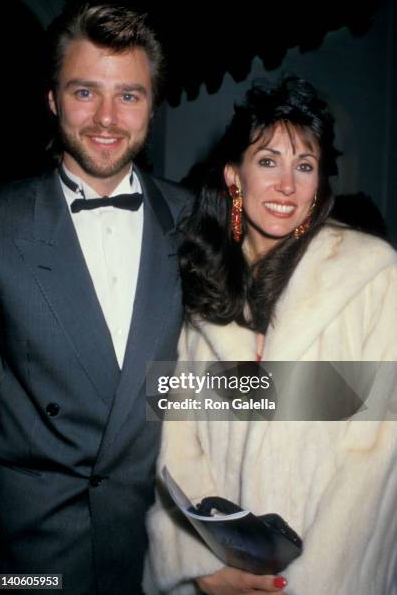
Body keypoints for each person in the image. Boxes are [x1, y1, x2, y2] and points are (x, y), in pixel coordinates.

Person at [145, 78, 397, 594]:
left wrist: (309, 583)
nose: (287, 184)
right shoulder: (199, 288)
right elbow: (177, 442)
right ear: (234, 177)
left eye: (304, 166)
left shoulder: (372, 276)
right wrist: (205, 568)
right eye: (268, 161)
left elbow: (375, 455)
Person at [0, 3, 189, 595]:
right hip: (31, 559)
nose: (107, 118)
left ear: (152, 107)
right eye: (85, 92)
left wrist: (351, 393)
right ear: (53, 99)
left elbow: (205, 383)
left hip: (154, 549)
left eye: (128, 96)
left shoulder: (196, 219)